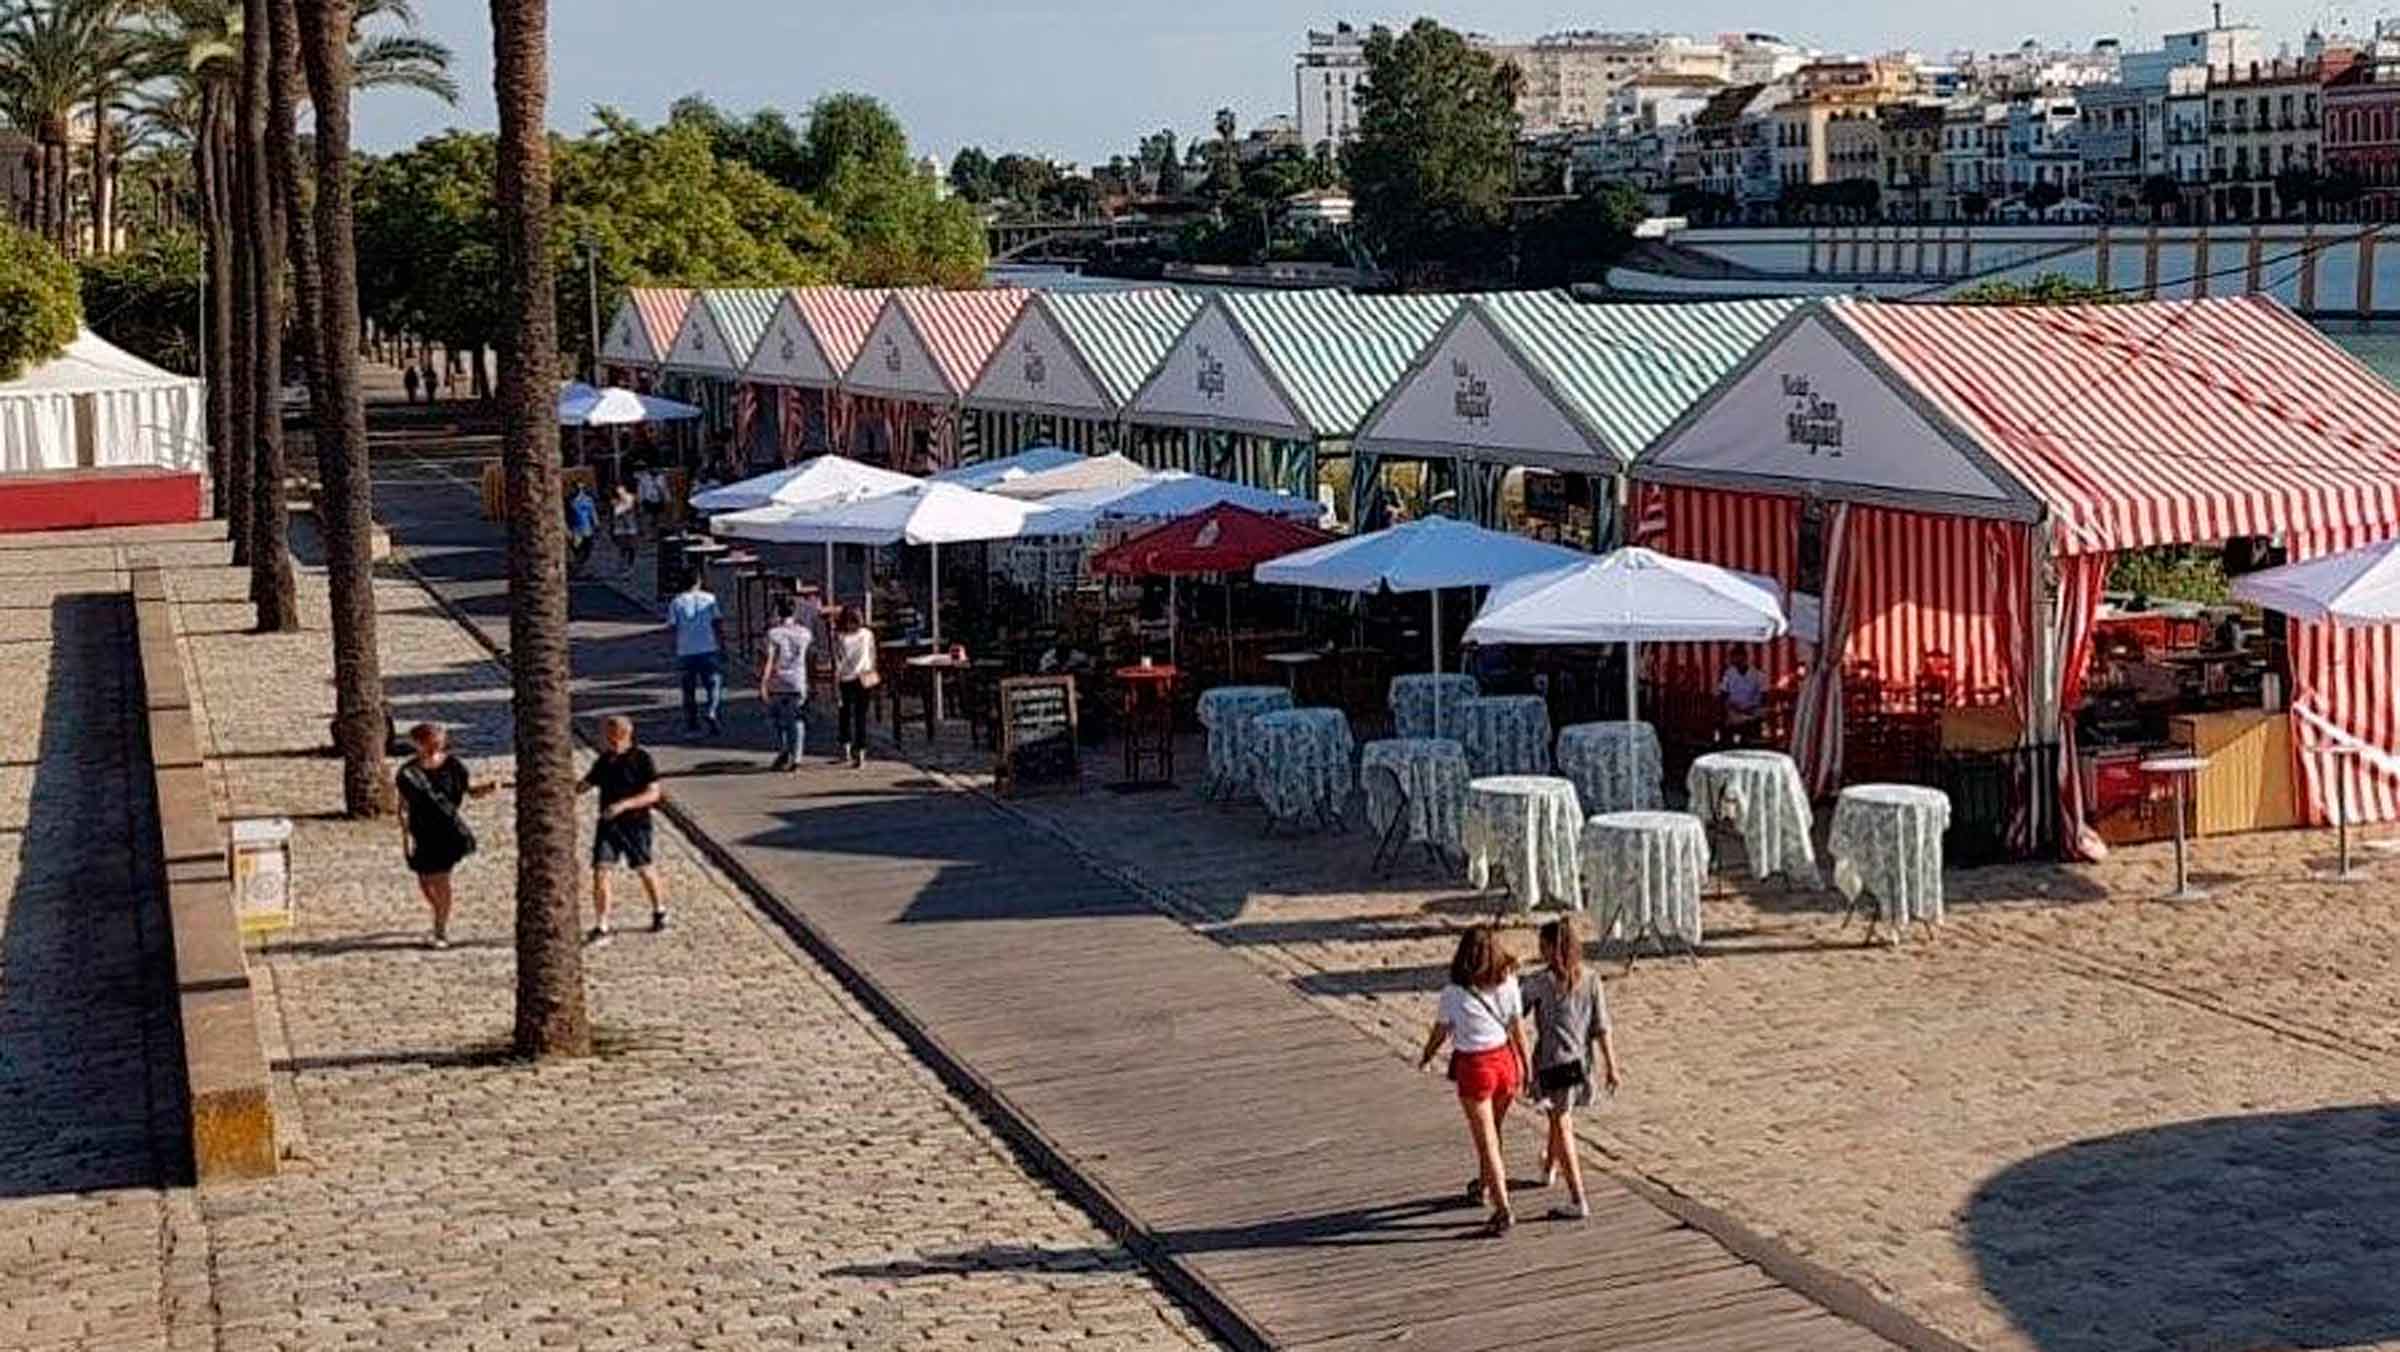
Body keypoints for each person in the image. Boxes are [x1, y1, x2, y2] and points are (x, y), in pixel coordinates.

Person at [1417, 926, 1530, 1236]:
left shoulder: (1453, 993)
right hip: (1505, 1062)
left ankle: (1502, 1207)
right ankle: (1483, 1184)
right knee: (1494, 1131)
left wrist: (1427, 1055)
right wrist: (1526, 1066)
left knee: (1486, 1139)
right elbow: (1517, 1028)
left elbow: (1440, 1032)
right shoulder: (1508, 984)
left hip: (1475, 1066)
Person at [1520, 916, 1622, 1223]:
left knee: (1561, 1122)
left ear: (1552, 948)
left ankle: (1578, 1196)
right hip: (1579, 1063)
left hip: (1552, 1063)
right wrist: (1611, 1066)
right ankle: (1549, 1166)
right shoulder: (1591, 979)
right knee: (1558, 1115)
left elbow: (1514, 1014)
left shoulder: (1539, 983)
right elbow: (1601, 1027)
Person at [393, 723, 498, 950]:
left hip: (447, 831)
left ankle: (440, 929)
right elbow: (402, 805)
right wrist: (404, 832)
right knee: (424, 881)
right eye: (430, 743)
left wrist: (488, 788)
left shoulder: (453, 766)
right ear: (418, 743)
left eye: (438, 742)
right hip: (421, 832)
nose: (434, 747)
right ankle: (440, 911)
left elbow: (470, 791)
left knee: (441, 880)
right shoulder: (408, 773)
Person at [579, 715, 667, 943]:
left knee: (644, 868)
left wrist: (623, 805)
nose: (604, 736)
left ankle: (659, 910)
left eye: (608, 731)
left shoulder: (641, 758)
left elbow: (654, 793)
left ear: (621, 733)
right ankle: (602, 924)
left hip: (636, 824)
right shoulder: (604, 760)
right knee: (601, 870)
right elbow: (584, 785)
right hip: (608, 825)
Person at [668, 570, 726, 737]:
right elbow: (717, 623)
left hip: (686, 650)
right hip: (708, 647)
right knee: (713, 684)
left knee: (689, 690)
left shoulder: (676, 602)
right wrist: (722, 645)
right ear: (699, 581)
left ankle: (692, 725)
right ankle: (711, 710)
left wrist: (674, 647)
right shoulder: (710, 599)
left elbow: (673, 627)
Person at [759, 597, 814, 772]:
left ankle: (784, 749)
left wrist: (763, 682)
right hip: (798, 679)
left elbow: (769, 659)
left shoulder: (773, 634)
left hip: (777, 680)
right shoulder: (805, 633)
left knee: (778, 719)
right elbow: (809, 658)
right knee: (797, 718)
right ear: (795, 612)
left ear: (777, 612)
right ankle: (797, 757)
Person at [833, 607, 878, 769]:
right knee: (861, 716)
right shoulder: (867, 634)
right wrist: (872, 668)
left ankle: (845, 747)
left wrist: (834, 681)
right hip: (865, 676)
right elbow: (873, 654)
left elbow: (838, 660)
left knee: (845, 714)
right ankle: (860, 752)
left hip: (846, 677)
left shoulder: (841, 637)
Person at [1718, 644, 1767, 743]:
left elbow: (1764, 696)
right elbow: (1723, 695)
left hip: (1752, 713)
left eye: (1737, 657)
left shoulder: (1758, 674)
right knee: (1728, 738)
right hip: (1734, 713)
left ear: (1744, 657)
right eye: (1732, 658)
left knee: (1751, 739)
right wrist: (1730, 708)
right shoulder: (1728, 674)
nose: (1734, 660)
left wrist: (1753, 709)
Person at [566, 484, 599, 575]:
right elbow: (568, 516)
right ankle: (575, 568)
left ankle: (578, 567)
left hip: (587, 529)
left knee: (587, 550)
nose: (579, 491)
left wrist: (596, 524)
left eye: (581, 489)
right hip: (576, 530)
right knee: (577, 550)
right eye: (577, 488)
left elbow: (592, 513)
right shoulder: (571, 501)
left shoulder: (588, 500)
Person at [610, 481, 641, 576]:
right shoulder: (614, 501)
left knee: (632, 548)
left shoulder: (632, 498)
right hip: (619, 529)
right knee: (622, 548)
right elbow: (612, 515)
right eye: (618, 489)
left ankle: (630, 566)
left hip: (632, 527)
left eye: (621, 488)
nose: (619, 491)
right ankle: (622, 566)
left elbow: (637, 511)